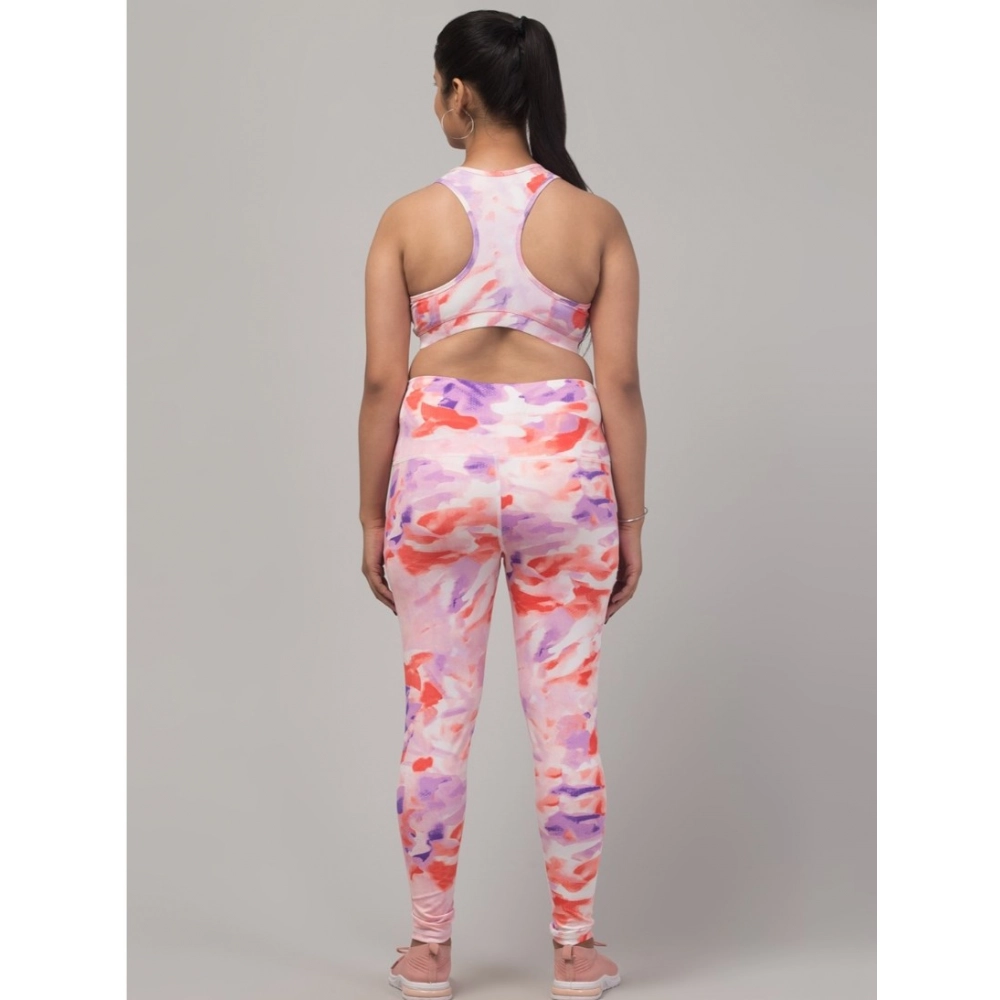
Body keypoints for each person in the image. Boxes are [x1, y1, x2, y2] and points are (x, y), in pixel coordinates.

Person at [359, 11, 645, 999]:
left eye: (434, 87)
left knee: (435, 721)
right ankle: (575, 952)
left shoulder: (406, 218)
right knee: (567, 722)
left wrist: (371, 520)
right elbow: (620, 385)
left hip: (437, 473)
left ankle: (428, 952)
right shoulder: (595, 220)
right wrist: (632, 523)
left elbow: (381, 383)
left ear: (458, 92)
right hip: (564, 474)